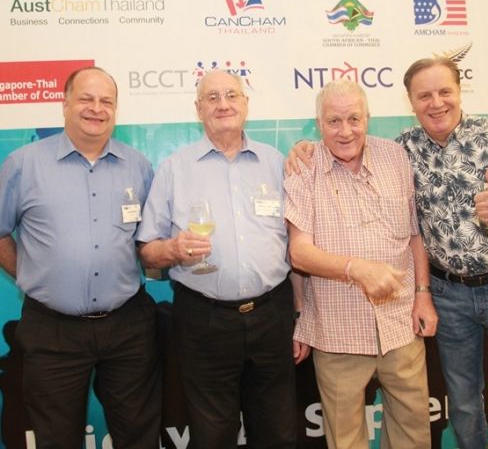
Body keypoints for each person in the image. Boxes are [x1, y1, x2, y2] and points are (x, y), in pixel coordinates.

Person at [288, 57, 488, 448]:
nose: (436, 103)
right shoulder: (400, 150)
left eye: (444, 92)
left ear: (459, 92)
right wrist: (303, 148)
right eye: (424, 95)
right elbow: (302, 250)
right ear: (411, 102)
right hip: (434, 297)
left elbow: (416, 233)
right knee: (463, 402)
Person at [137, 70, 300, 449]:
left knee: (278, 432)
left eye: (231, 95)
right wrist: (173, 249)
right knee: (212, 435)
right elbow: (147, 250)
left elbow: (297, 241)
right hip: (203, 319)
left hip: (272, 314)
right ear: (198, 109)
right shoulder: (175, 168)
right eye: (212, 98)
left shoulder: (276, 162)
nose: (223, 104)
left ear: (246, 103)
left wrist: (300, 311)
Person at [0, 67, 161, 449]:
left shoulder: (138, 166)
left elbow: (150, 238)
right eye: (86, 99)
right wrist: (33, 275)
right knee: (56, 439)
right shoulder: (23, 164)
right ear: (65, 104)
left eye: (107, 101)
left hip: (127, 326)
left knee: (139, 434)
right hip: (52, 329)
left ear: (116, 110)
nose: (96, 109)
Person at [284, 79, 438, 449]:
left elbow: (414, 234)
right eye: (334, 121)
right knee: (346, 439)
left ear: (368, 117)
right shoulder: (303, 167)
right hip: (338, 330)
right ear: (319, 124)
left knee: (414, 434)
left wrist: (423, 294)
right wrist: (356, 269)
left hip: (400, 324)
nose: (345, 131)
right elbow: (299, 253)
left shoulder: (395, 156)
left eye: (354, 119)